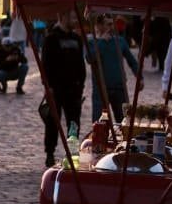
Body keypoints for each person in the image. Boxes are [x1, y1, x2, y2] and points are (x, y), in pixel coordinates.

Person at [40, 12, 86, 168]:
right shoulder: (51, 39)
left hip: (73, 89)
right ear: (62, 16)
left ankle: (72, 154)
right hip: (56, 89)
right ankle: (50, 153)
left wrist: (81, 86)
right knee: (53, 122)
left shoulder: (76, 39)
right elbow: (45, 65)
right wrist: (48, 87)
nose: (73, 19)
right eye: (71, 16)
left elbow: (81, 65)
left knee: (74, 124)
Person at [85, 14, 140, 122]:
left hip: (119, 87)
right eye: (108, 24)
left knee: (123, 120)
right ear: (99, 26)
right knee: (99, 122)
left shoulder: (119, 41)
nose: (111, 27)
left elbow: (132, 61)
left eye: (112, 24)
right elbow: (89, 59)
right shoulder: (92, 42)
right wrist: (101, 42)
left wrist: (139, 77)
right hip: (100, 89)